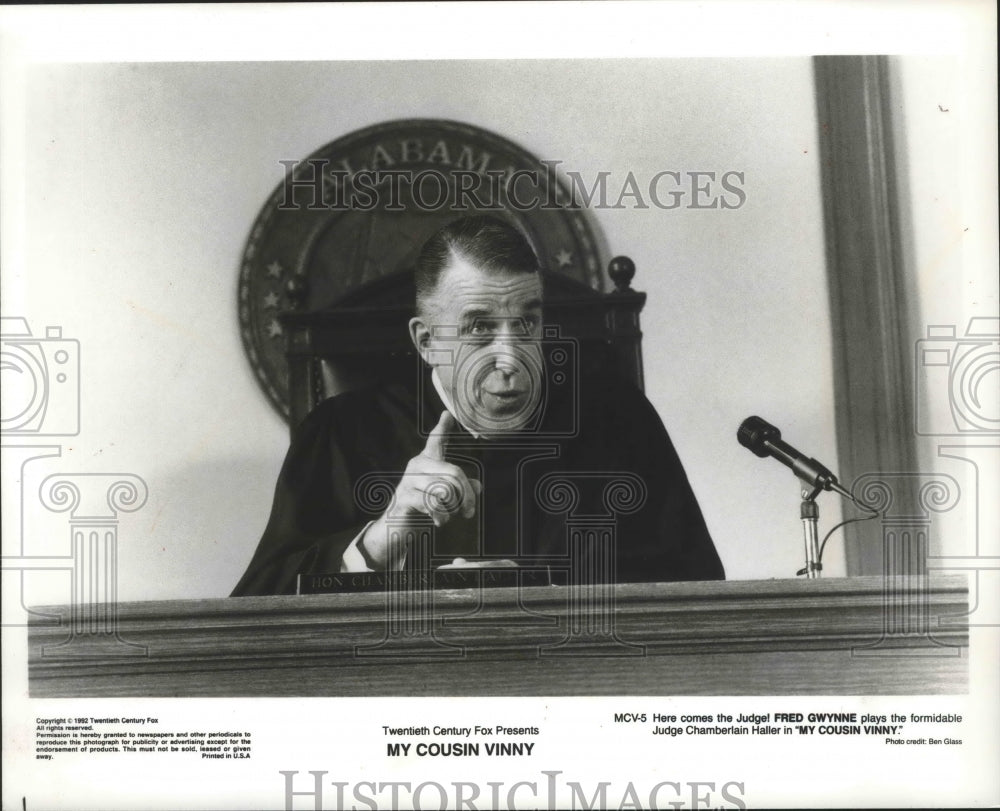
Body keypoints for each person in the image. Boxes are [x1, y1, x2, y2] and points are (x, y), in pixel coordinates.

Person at [232, 216, 723, 596]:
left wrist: (533, 587)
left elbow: (699, 591)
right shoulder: (339, 433)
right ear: (426, 341)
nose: (511, 357)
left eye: (526, 323)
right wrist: (377, 542)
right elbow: (254, 617)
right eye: (479, 328)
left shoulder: (620, 419)